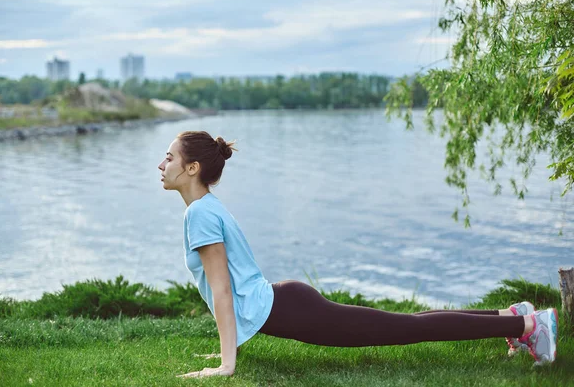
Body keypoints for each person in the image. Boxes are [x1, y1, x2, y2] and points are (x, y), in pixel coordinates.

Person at [157, 131, 559, 379]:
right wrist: (230, 348)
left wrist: (226, 365)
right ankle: (510, 318)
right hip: (286, 302)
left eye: (170, 158)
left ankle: (529, 324)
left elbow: (224, 291)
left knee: (407, 328)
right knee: (407, 323)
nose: (162, 164)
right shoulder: (206, 208)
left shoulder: (200, 214)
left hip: (290, 309)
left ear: (192, 168)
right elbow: (229, 287)